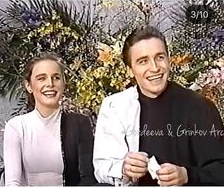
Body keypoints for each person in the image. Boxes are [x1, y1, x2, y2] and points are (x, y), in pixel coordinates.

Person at [93, 26, 224, 186]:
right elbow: (101, 168)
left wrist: (187, 175)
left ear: (169, 60)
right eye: (143, 61)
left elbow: (220, 170)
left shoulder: (200, 107)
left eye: (160, 57)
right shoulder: (114, 107)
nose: (154, 68)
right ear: (129, 70)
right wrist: (123, 168)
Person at [3, 53, 96, 186]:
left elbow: (88, 177)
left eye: (56, 78)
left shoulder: (79, 123)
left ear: (63, 83)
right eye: (42, 78)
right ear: (29, 86)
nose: (50, 84)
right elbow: (12, 183)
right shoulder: (16, 127)